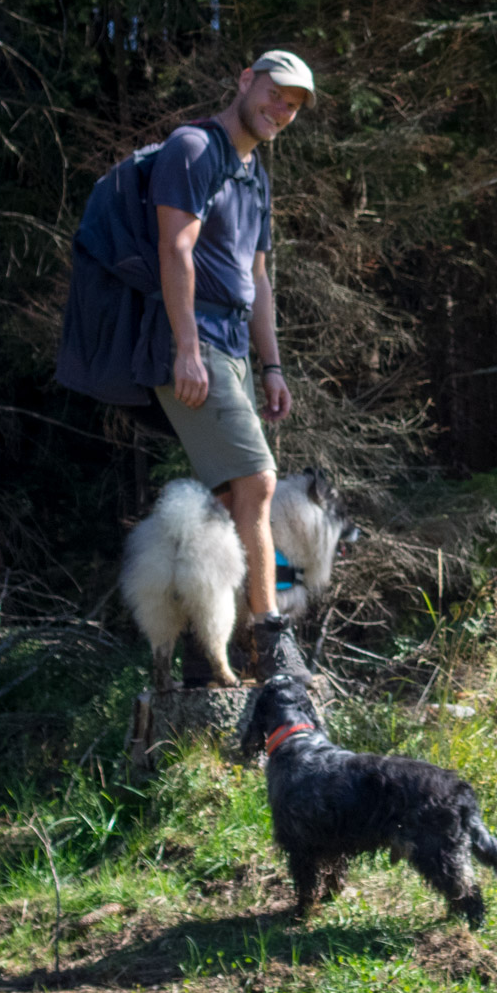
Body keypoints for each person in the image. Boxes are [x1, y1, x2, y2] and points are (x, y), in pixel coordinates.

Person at [151, 50, 316, 682]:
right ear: (245, 81)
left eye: (294, 106)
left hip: (236, 348)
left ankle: (213, 655)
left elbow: (258, 278)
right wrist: (186, 345)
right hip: (195, 340)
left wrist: (271, 366)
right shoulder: (194, 149)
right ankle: (274, 645)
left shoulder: (255, 176)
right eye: (277, 94)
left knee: (230, 500)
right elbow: (176, 247)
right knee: (259, 481)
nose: (283, 110)